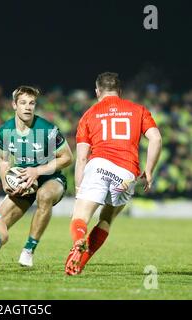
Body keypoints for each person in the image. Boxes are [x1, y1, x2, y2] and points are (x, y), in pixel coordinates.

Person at [65, 72, 162, 275]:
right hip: (127, 172)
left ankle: (78, 242)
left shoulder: (89, 114)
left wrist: (79, 187)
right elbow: (156, 139)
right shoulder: (138, 110)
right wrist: (150, 170)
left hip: (99, 164)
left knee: (80, 216)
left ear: (97, 91)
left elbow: (82, 158)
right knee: (107, 217)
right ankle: (81, 262)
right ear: (120, 91)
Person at [0, 86, 73, 267]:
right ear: (14, 105)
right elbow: (3, 161)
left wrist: (37, 171)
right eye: (23, 103)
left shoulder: (47, 129)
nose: (28, 107)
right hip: (24, 180)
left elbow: (67, 158)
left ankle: (28, 249)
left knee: (44, 195)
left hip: (51, 179)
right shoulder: (5, 131)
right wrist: (5, 182)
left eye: (31, 103)